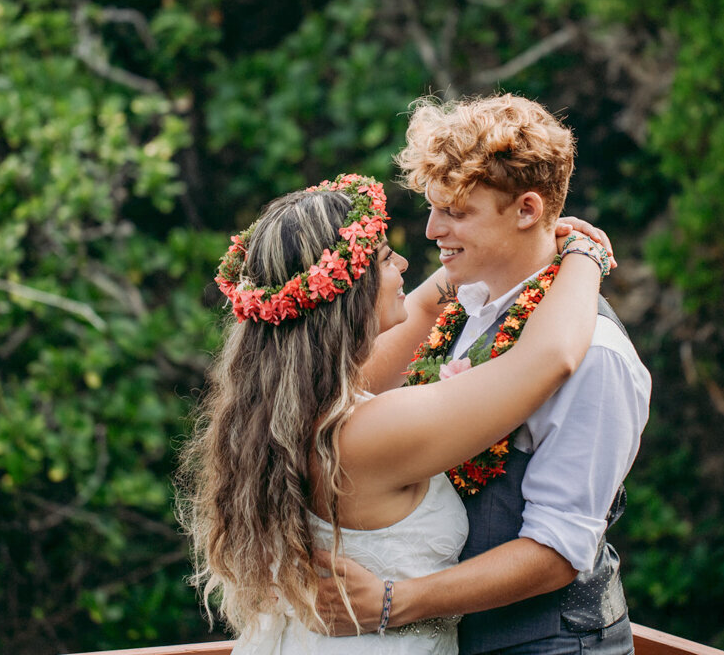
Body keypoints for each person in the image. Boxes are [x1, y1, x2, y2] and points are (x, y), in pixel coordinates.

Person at [176, 172, 612, 654]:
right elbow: (551, 359)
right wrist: (586, 254)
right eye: (386, 259)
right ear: (352, 294)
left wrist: (502, 245)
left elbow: (428, 302)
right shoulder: (370, 432)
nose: (405, 261)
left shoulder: (292, 409)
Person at [315, 95, 652, 655]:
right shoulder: (467, 306)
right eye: (432, 207)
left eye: (455, 212)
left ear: (526, 210)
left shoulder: (596, 353)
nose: (429, 230)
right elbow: (346, 390)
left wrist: (396, 601)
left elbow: (557, 551)